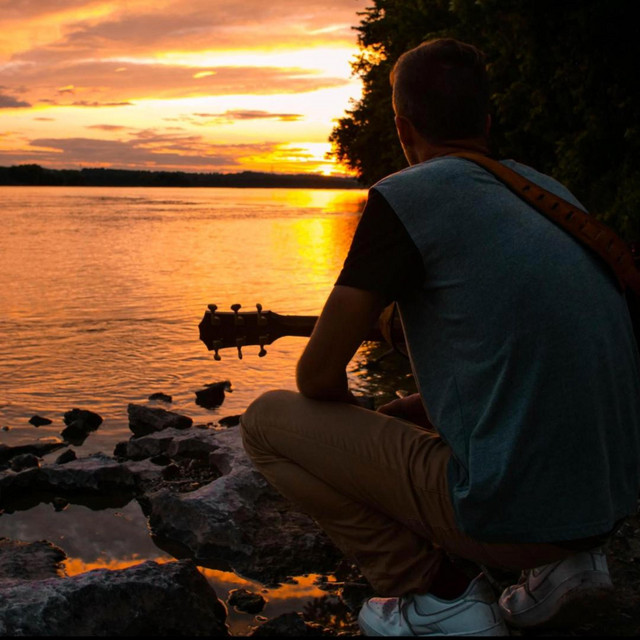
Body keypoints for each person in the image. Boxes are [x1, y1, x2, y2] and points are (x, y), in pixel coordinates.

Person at [240, 38, 640, 636]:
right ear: (486, 120)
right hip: (604, 504)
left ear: (402, 127)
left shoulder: (406, 196)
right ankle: (568, 568)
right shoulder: (549, 194)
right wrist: (416, 416)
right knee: (408, 414)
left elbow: (316, 377)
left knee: (265, 422)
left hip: (516, 519)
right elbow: (543, 356)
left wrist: (356, 440)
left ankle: (436, 595)